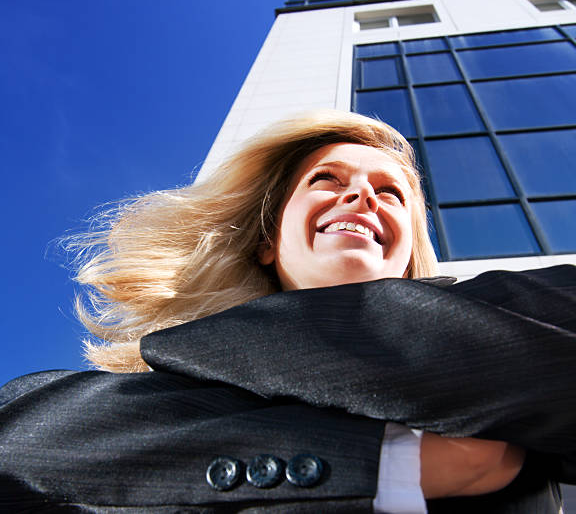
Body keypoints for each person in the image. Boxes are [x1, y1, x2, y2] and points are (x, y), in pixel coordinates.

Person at [0, 110, 574, 513]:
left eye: (392, 192)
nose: (363, 197)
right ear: (267, 241)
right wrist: (385, 463)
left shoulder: (528, 312)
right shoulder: (123, 394)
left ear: (408, 256)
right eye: (326, 179)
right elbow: (21, 437)